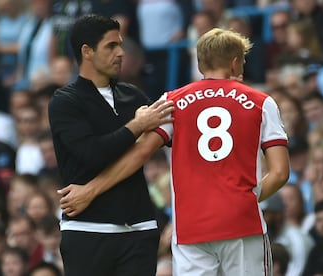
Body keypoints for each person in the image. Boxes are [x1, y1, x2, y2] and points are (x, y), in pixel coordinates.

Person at [59, 27, 290, 275]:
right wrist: (243, 201)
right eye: (242, 61)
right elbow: (280, 173)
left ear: (200, 65)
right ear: (235, 63)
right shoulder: (260, 102)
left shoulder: (172, 102)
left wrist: (90, 190)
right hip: (242, 224)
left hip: (191, 227)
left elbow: (139, 154)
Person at [48, 14, 174, 276]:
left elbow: (150, 145)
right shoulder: (65, 101)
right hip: (87, 229)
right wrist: (136, 126)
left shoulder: (134, 95)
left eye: (121, 45)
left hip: (140, 228)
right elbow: (92, 155)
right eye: (111, 46)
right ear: (87, 51)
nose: (120, 53)